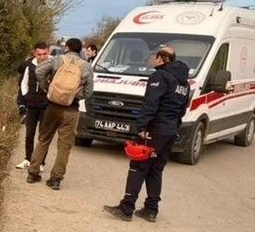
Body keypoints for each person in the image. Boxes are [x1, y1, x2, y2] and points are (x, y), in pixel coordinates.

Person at [103, 47, 190, 222]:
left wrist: (141, 126)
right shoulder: (184, 84)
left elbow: (151, 103)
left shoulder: (160, 76)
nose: (151, 60)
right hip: (170, 131)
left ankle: (126, 207)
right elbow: (182, 109)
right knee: (156, 169)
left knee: (138, 167)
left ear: (162, 58)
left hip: (155, 129)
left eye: (154, 57)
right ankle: (151, 209)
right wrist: (173, 126)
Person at [26, 38, 94, 190]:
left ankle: (33, 173)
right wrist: (74, 95)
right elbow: (89, 91)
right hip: (71, 110)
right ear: (80, 50)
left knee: (44, 139)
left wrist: (47, 88)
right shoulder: (86, 66)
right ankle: (56, 179)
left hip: (52, 107)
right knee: (64, 146)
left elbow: (38, 71)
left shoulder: (57, 60)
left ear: (67, 48)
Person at [15, 42, 50, 170]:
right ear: (35, 53)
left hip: (46, 106)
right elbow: (23, 84)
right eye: (39, 54)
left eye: (45, 53)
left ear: (48, 52)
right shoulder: (29, 66)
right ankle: (28, 159)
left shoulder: (52, 66)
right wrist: (26, 97)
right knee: (29, 134)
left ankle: (40, 162)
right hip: (31, 105)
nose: (42, 56)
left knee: (43, 135)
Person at [16, 52, 33, 124]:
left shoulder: (27, 62)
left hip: (24, 83)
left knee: (21, 99)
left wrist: (26, 61)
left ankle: (24, 114)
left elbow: (19, 69)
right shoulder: (41, 63)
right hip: (33, 85)